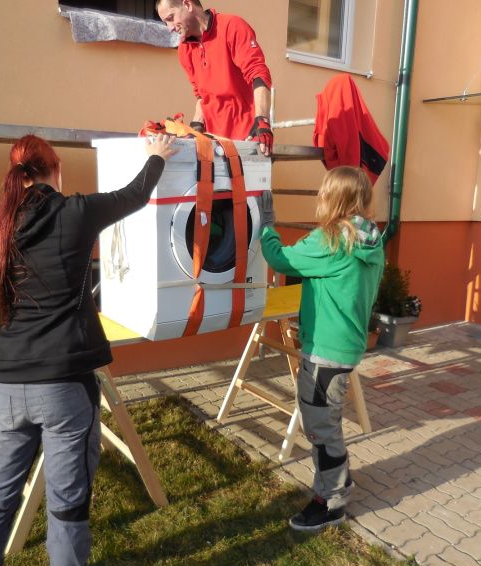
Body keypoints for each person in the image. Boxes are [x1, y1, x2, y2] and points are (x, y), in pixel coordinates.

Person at [0, 133, 177, 566]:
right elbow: (132, 196)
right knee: (67, 506)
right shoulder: (75, 213)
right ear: (55, 170)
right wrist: (157, 158)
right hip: (63, 389)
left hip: (6, 389)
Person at [260, 166, 385, 531]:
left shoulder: (331, 239)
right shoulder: (369, 237)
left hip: (326, 350)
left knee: (320, 427)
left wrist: (267, 226)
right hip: (345, 345)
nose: (319, 198)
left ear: (335, 198)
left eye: (323, 192)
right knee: (324, 420)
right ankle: (339, 481)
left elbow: (281, 259)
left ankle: (330, 502)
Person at [156, 0, 274, 156]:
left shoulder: (232, 26)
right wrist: (196, 127)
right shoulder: (184, 49)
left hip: (248, 136)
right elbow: (201, 96)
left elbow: (258, 75)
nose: (169, 28)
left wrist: (262, 120)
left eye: (171, 18)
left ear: (188, 4)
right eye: (165, 22)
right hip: (214, 144)